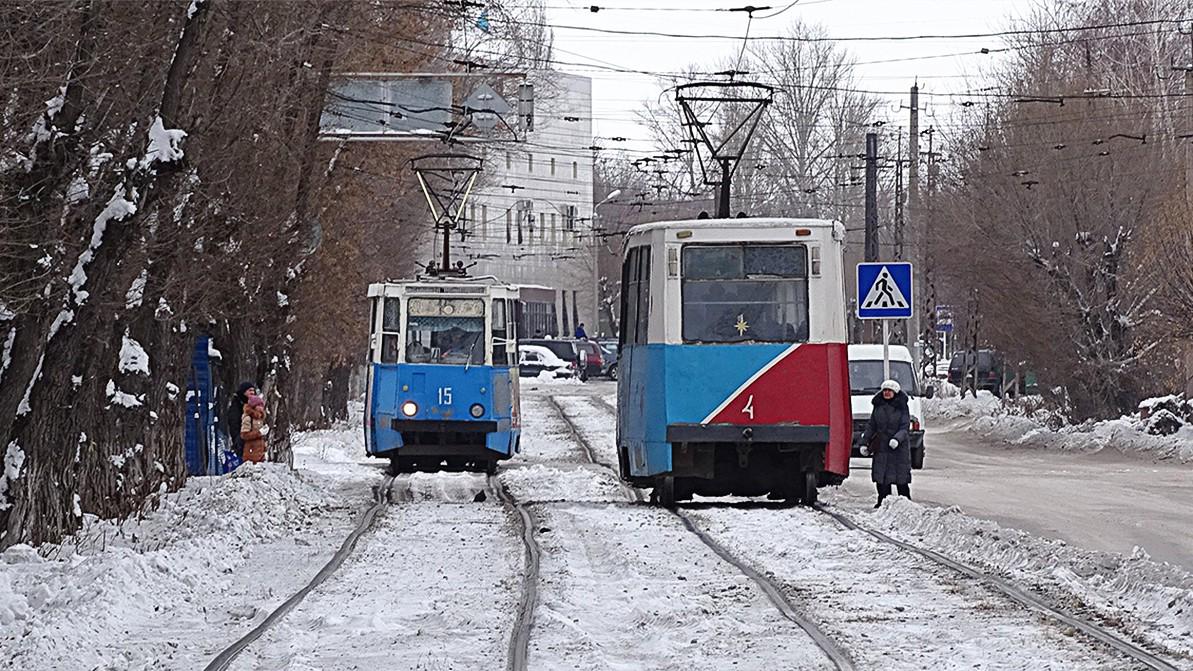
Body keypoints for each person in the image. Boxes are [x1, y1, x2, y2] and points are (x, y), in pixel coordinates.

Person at [859, 378, 912, 508]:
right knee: (881, 476)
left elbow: (904, 427)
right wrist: (864, 442)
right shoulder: (878, 406)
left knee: (900, 477)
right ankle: (882, 502)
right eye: (885, 390)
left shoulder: (902, 407)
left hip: (898, 448)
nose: (887, 393)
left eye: (889, 390)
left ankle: (905, 504)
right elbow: (871, 425)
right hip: (881, 446)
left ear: (895, 392)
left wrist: (897, 439)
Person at [225, 382, 256, 459]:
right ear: (244, 392)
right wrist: (238, 439)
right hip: (242, 440)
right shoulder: (237, 405)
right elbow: (234, 422)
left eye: (253, 390)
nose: (252, 392)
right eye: (250, 390)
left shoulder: (252, 404)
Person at [240, 393, 269, 463]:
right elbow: (244, 435)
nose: (261, 408)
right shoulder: (248, 418)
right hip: (251, 453)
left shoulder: (260, 419)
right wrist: (259, 433)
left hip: (260, 453)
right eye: (259, 405)